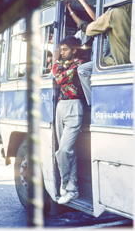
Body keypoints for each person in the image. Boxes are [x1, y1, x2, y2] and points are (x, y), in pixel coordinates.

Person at [52, 36, 85, 204]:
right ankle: (71, 188)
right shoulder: (63, 65)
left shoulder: (79, 64)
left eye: (65, 49)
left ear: (73, 50)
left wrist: (55, 61)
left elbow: (60, 79)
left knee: (64, 150)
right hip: (61, 107)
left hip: (74, 106)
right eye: (60, 49)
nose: (62, 52)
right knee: (68, 151)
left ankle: (66, 185)